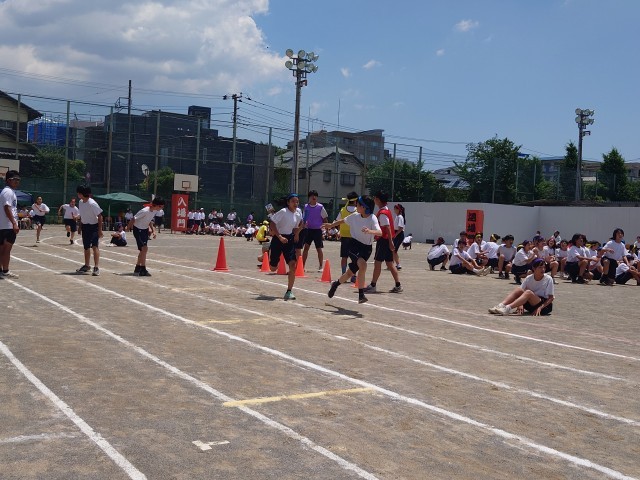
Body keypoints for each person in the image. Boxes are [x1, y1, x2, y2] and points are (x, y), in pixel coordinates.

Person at [324, 195, 381, 304]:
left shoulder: (372, 218)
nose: (356, 205)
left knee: (349, 273)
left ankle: (335, 284)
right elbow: (342, 221)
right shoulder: (354, 216)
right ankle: (361, 295)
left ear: (364, 207)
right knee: (363, 265)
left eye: (358, 204)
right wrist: (331, 225)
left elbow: (380, 232)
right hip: (354, 245)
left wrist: (370, 231)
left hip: (367, 249)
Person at [363, 191, 402, 293]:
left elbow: (387, 227)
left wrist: (390, 242)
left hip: (384, 240)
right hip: (387, 240)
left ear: (378, 200)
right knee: (389, 263)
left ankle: (373, 285)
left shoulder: (383, 213)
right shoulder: (386, 210)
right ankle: (398, 285)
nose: (374, 199)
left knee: (377, 263)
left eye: (375, 198)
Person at [488, 258, 554, 316]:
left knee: (528, 292)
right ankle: (500, 306)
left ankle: (507, 308)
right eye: (540, 267)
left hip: (544, 306)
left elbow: (551, 298)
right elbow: (520, 291)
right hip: (530, 304)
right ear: (534, 268)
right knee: (519, 289)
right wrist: (520, 304)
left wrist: (540, 308)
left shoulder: (548, 279)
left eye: (544, 267)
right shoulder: (529, 278)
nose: (543, 269)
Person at [268, 193, 304, 300]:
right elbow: (272, 223)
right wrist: (279, 236)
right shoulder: (283, 211)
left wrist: (297, 233)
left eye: (297, 201)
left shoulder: (298, 213)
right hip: (278, 239)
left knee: (293, 264)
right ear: (288, 202)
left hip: (289, 240)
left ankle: (289, 291)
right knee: (273, 268)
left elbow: (299, 224)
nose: (295, 203)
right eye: (293, 201)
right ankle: (270, 254)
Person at [128, 197, 165, 276]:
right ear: (157, 205)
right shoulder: (144, 211)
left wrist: (153, 230)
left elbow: (149, 221)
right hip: (138, 230)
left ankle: (138, 267)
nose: (162, 208)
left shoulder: (154, 211)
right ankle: (143, 269)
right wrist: (128, 228)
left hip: (144, 230)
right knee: (144, 249)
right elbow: (133, 219)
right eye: (161, 206)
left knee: (143, 250)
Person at [75, 185, 103, 276]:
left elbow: (100, 216)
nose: (77, 194)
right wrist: (80, 227)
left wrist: (100, 230)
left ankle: (96, 267)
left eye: (78, 193)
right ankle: (87, 265)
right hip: (85, 226)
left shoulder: (92, 203)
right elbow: (82, 215)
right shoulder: (80, 202)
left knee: (94, 246)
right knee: (86, 247)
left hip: (94, 227)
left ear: (82, 194)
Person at [0, 170, 21, 278]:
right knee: (6, 249)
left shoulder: (6, 191)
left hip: (4, 225)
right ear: (8, 180)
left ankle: (2, 271)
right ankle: (5, 271)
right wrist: (14, 223)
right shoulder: (8, 192)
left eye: (18, 180)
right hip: (7, 226)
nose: (17, 182)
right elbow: (7, 208)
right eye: (14, 180)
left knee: (2, 249)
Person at [301, 190, 329, 272]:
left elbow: (325, 219)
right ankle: (302, 266)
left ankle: (320, 266)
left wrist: (326, 229)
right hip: (308, 230)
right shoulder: (306, 207)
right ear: (309, 197)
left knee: (318, 248)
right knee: (306, 247)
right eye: (311, 196)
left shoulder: (320, 207)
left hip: (317, 230)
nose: (313, 197)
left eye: (315, 196)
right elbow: (304, 218)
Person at [334, 191, 359, 282]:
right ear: (356, 201)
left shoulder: (343, 210)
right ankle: (353, 276)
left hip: (344, 236)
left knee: (344, 257)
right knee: (354, 257)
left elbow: (337, 221)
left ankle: (344, 275)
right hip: (354, 236)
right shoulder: (358, 211)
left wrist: (338, 231)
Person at [392, 203, 405, 270]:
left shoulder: (400, 217)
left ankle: (398, 264)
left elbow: (400, 228)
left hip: (399, 235)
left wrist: (395, 235)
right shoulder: (397, 216)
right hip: (396, 234)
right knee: (393, 250)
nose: (394, 210)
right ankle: (392, 263)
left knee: (394, 250)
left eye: (395, 209)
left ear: (399, 210)